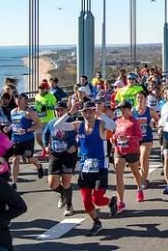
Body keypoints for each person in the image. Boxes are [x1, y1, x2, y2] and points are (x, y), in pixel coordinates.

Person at [52, 101, 117, 236]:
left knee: (97, 199)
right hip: (84, 167)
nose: (88, 114)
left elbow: (113, 125)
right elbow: (57, 126)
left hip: (100, 166)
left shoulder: (101, 125)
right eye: (85, 111)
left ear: (93, 111)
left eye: (90, 111)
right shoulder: (78, 125)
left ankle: (111, 201)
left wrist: (99, 113)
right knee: (86, 200)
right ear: (81, 113)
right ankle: (96, 222)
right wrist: (70, 112)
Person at [42, 101, 78, 216]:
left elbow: (83, 136)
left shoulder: (73, 122)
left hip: (69, 155)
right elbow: (45, 134)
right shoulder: (51, 123)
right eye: (57, 110)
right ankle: (62, 193)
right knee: (52, 184)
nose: (59, 112)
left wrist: (76, 146)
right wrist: (45, 146)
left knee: (66, 181)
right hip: (55, 155)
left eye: (62, 110)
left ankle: (69, 205)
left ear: (66, 110)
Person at [112, 100, 144, 211]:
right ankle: (121, 201)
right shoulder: (117, 122)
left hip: (132, 151)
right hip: (119, 151)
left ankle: (139, 188)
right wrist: (113, 138)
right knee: (118, 176)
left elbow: (140, 137)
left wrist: (128, 138)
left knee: (135, 172)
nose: (120, 111)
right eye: (119, 109)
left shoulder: (134, 122)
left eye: (122, 109)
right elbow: (115, 134)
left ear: (127, 110)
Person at [10, 93, 44, 189]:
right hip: (15, 139)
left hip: (27, 139)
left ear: (25, 100)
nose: (17, 99)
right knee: (16, 159)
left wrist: (26, 130)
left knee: (29, 158)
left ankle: (38, 166)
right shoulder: (13, 112)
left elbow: (39, 125)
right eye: (16, 98)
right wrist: (8, 128)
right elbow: (14, 124)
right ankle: (14, 182)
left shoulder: (29, 112)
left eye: (20, 98)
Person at [134, 91, 159, 190]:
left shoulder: (150, 111)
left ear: (145, 99)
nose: (140, 100)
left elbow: (158, 120)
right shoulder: (132, 111)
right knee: (136, 161)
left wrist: (155, 124)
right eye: (138, 97)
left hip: (147, 138)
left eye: (141, 98)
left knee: (143, 158)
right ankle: (141, 177)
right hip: (135, 139)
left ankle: (143, 180)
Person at [34, 81, 57, 154]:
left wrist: (47, 107)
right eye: (39, 88)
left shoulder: (51, 97)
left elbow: (55, 107)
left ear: (47, 89)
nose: (41, 90)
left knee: (49, 137)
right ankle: (44, 148)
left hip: (48, 120)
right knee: (38, 137)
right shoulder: (37, 96)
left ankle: (49, 150)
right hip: (39, 119)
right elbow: (36, 106)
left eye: (42, 88)